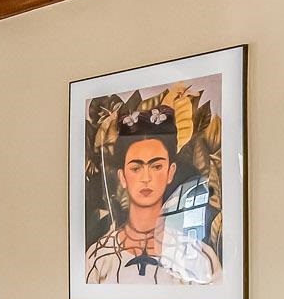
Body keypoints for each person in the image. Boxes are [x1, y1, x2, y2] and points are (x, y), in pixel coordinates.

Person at [83, 104, 221, 287]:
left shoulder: (198, 257)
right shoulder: (99, 258)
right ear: (122, 176)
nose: (146, 178)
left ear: (170, 172)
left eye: (156, 167)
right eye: (136, 168)